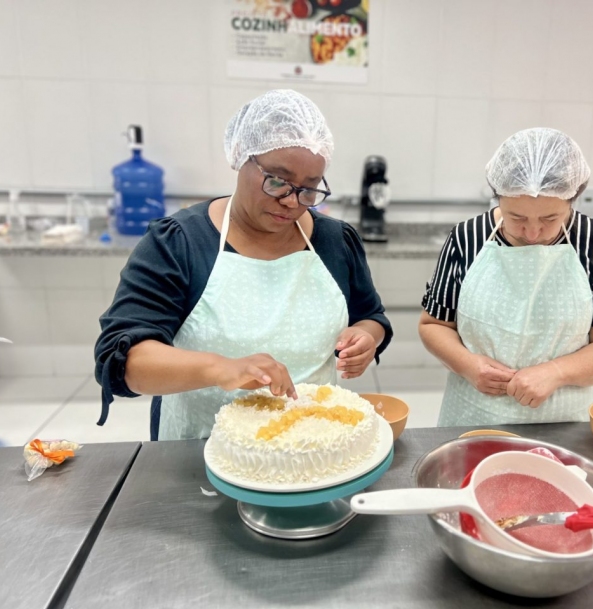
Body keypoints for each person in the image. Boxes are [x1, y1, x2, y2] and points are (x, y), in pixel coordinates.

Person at [96, 90, 392, 441]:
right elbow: (125, 362)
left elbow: (371, 315)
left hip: (312, 449)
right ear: (241, 157)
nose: (292, 202)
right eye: (277, 181)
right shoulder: (180, 243)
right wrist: (221, 368)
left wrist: (366, 337)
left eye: (309, 189)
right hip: (198, 449)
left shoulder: (335, 242)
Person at [420, 128, 593, 426]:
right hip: (472, 417)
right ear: (498, 197)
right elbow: (433, 325)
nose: (533, 233)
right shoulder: (468, 237)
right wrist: (467, 364)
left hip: (562, 422)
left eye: (550, 218)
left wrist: (557, 372)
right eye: (517, 217)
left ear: (571, 200)